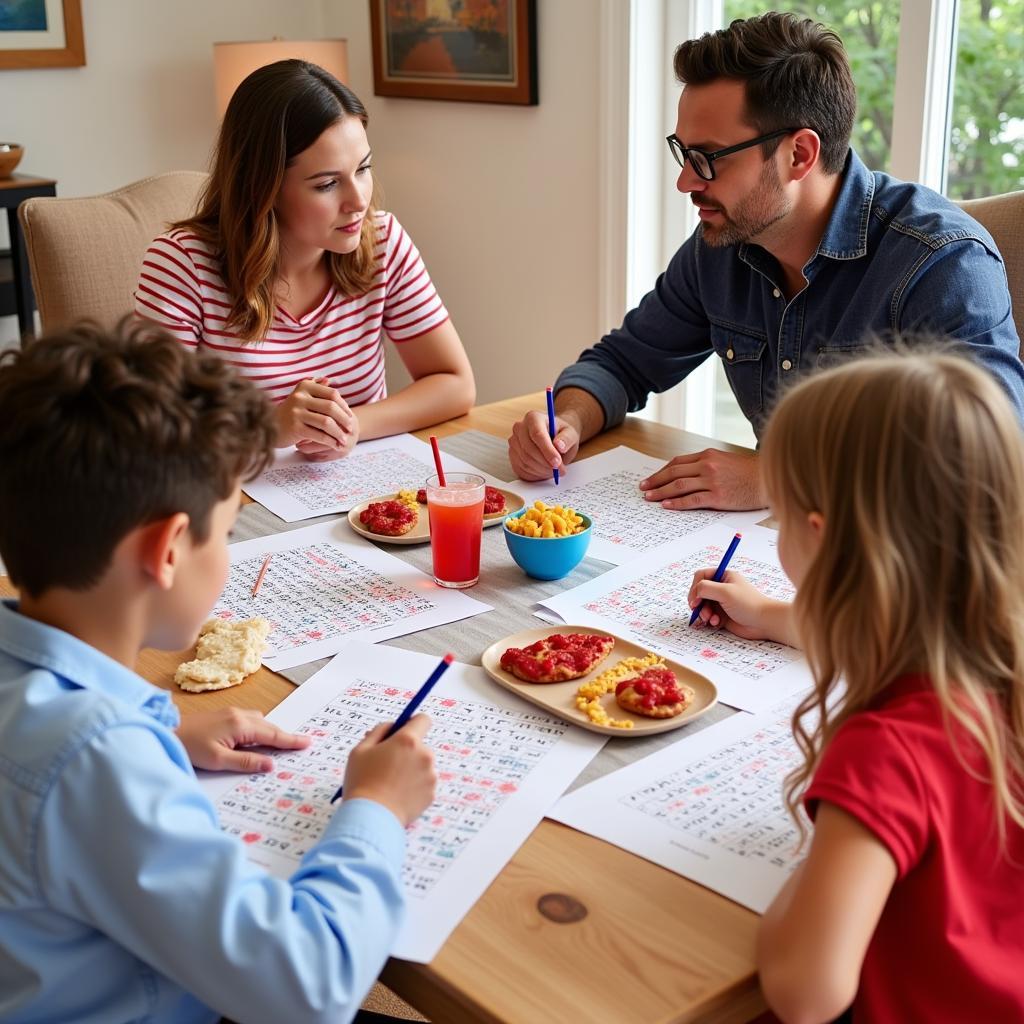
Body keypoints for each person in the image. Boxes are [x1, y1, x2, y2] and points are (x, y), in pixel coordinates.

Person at [0, 320, 437, 1024]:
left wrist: (164, 737)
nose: (227, 555)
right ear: (168, 550)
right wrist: (377, 810)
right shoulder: (98, 763)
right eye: (227, 531)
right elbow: (309, 986)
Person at [508, 13, 1024, 510]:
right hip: (778, 549)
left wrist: (781, 479)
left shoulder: (941, 264)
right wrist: (568, 421)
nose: (686, 182)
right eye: (682, 153)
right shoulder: (723, 245)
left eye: (709, 158)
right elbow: (621, 363)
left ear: (799, 154)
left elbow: (989, 466)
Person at [687, 349, 1024, 1022]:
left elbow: (806, 992)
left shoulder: (885, 748)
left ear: (823, 538)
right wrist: (777, 618)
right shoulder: (1000, 657)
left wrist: (809, 878)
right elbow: (907, 634)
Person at [136, 59, 475, 462]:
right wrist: (268, 429)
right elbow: (144, 435)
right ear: (263, 187)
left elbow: (454, 384)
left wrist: (351, 426)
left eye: (363, 169)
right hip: (230, 502)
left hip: (355, 495)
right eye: (328, 183)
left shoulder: (383, 240)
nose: (358, 200)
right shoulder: (181, 265)